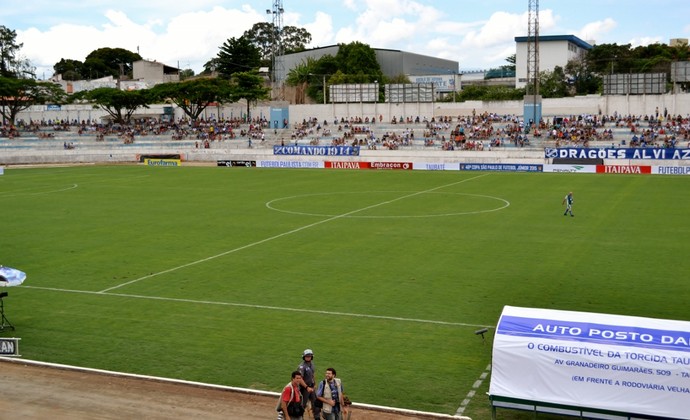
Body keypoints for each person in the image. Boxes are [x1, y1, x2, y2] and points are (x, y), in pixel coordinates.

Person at [297, 349, 319, 419]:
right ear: (304, 357)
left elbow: (313, 375)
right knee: (303, 404)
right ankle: (300, 417)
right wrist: (306, 387)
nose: (308, 357)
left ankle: (317, 417)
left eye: (310, 356)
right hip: (304, 389)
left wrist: (315, 384)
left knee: (315, 403)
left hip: (311, 387)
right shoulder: (301, 367)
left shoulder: (312, 365)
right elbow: (300, 379)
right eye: (307, 356)